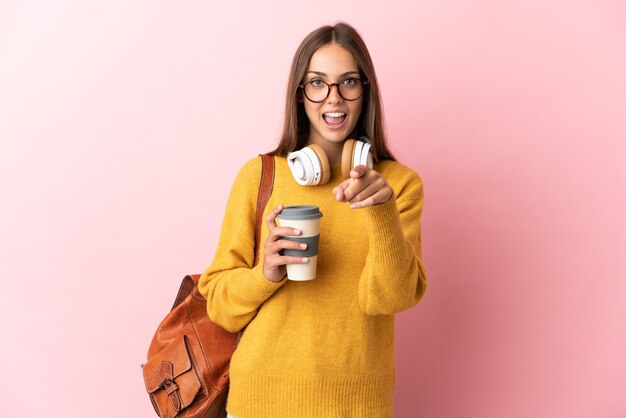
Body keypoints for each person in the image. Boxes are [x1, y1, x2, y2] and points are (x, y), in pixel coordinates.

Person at [199, 22, 428, 418]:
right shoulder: (259, 176)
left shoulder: (398, 185)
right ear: (300, 95)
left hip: (358, 407)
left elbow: (391, 298)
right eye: (317, 83)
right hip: (260, 403)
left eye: (349, 82)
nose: (333, 99)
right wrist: (265, 273)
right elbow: (219, 307)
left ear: (365, 91)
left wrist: (382, 212)